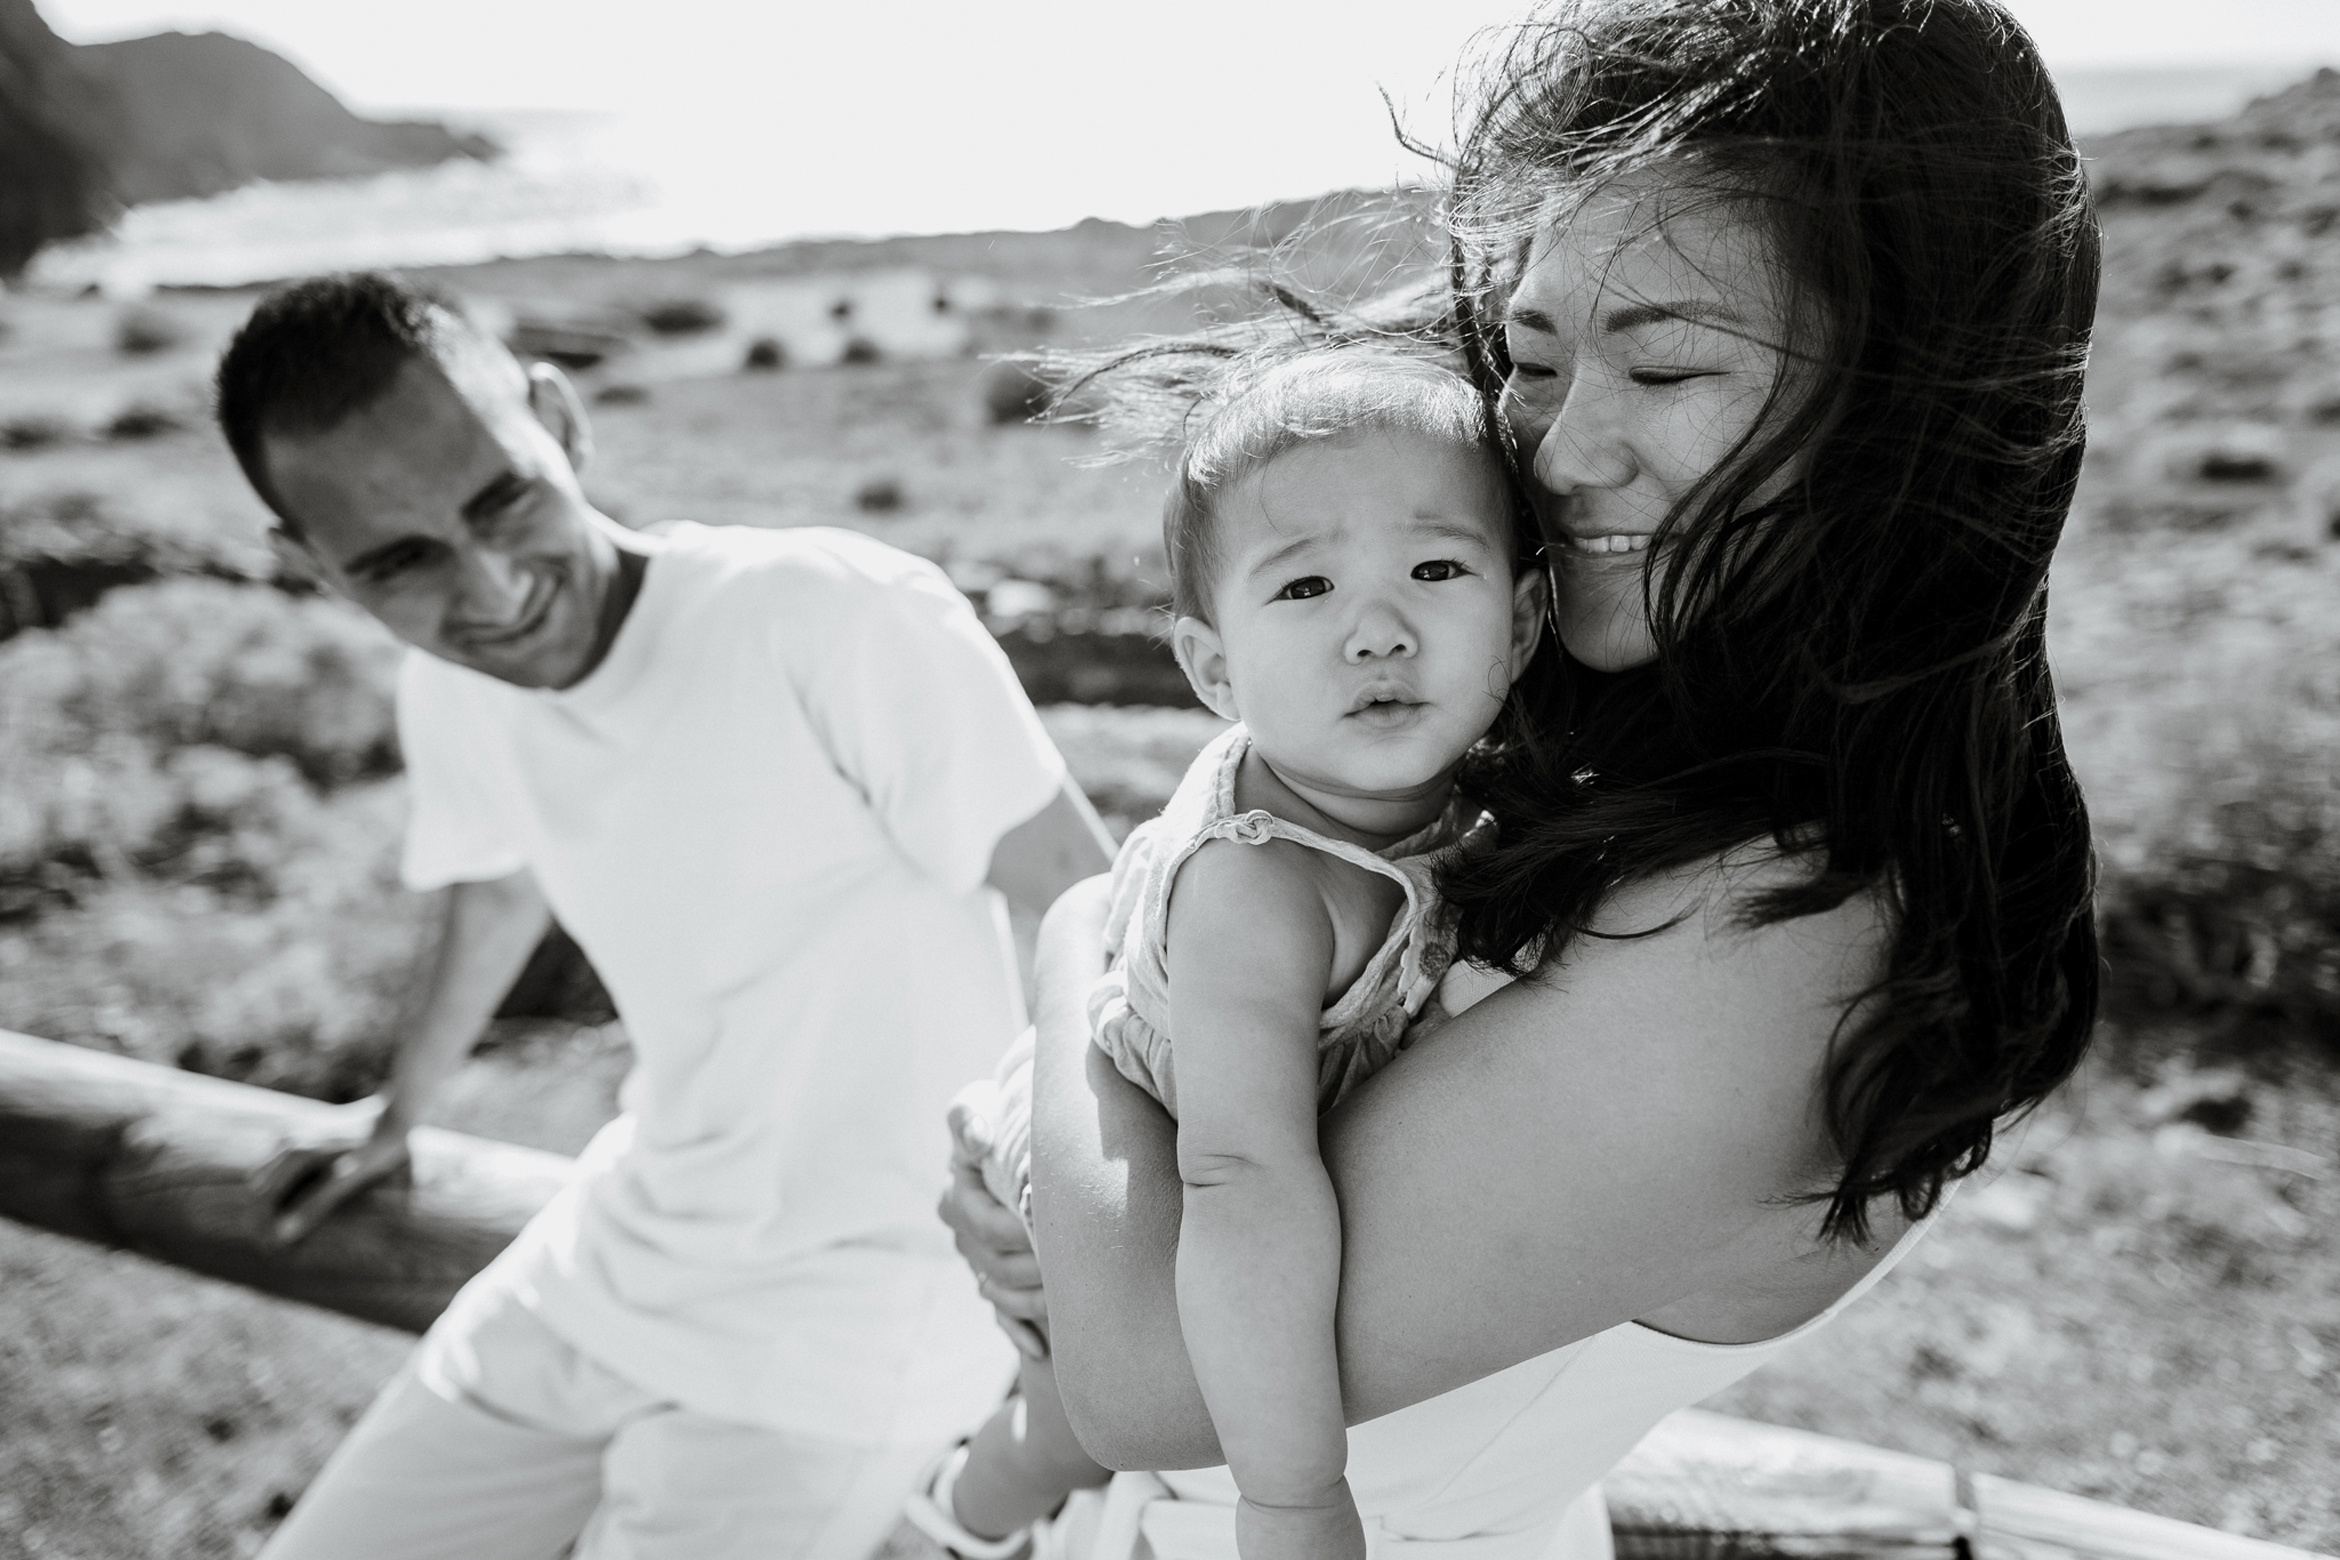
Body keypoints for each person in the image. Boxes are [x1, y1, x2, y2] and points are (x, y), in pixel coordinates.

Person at [935, 3, 2103, 1559]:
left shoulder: (1776, 944)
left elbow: (1146, 1379)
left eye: (1669, 365)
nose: (1558, 451)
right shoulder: (1611, 719)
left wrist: (1089, 934)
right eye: (1534, 356)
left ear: (1916, 404)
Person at [211, 272, 1117, 1560]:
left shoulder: (831, 616)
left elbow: (1088, 913)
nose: (491, 587)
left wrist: (1076, 1213)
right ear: (310, 565)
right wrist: (398, 1114)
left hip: (864, 1313)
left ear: (558, 421)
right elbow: (496, 889)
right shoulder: (456, 690)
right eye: (401, 561)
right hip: (614, 1256)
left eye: (502, 498)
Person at [907, 353, 1544, 1560]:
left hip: (1181, 1091)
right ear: (1213, 669)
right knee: (1064, 1425)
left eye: (1434, 567)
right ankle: (943, 1527)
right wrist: (1294, 1497)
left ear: (1516, 626)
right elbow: (1242, 1181)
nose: (1378, 631)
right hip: (1113, 1138)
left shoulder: (1447, 792)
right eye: (1304, 587)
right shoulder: (1265, 886)